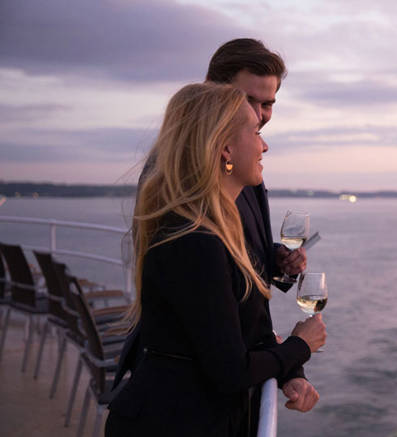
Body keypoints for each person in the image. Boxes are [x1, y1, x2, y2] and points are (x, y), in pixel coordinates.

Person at [112, 39, 321, 425]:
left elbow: (235, 270)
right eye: (249, 102)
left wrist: (275, 259)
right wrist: (297, 348)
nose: (261, 116)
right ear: (215, 90)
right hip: (181, 402)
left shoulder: (243, 174)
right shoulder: (177, 182)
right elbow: (202, 274)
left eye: (268, 104)